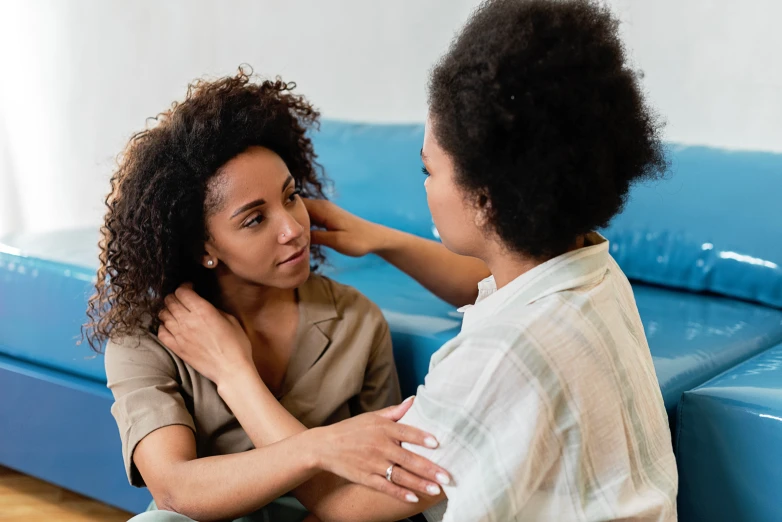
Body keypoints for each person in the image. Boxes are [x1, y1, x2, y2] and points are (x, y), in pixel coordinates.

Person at [157, 0, 679, 520]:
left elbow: (345, 503)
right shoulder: (593, 272)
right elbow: (493, 283)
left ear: (485, 198)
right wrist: (381, 240)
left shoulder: (497, 358)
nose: (424, 185)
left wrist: (232, 372)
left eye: (429, 169)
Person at [83, 69, 450, 522]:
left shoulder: (356, 321)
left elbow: (375, 488)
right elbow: (175, 488)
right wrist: (319, 447)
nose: (294, 229)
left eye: (291, 196)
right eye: (254, 220)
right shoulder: (145, 336)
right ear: (204, 248)